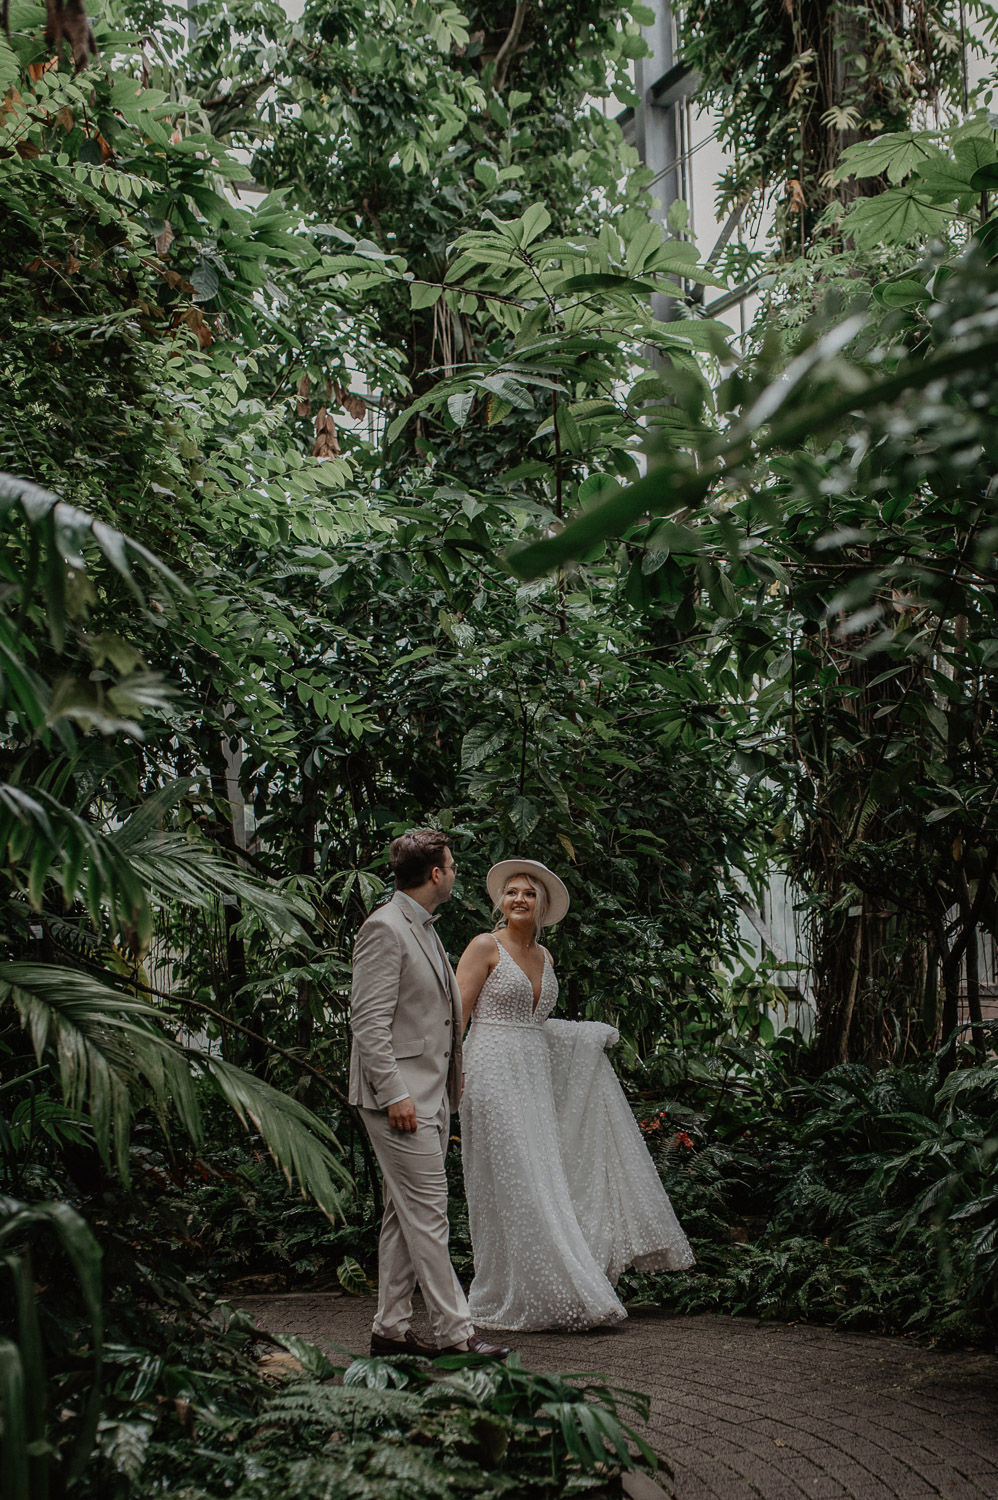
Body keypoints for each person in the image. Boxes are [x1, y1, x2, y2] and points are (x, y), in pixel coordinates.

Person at [456, 858, 694, 1332]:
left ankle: (541, 1286)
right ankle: (537, 1289)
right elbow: (455, 1017)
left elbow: (536, 1027)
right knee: (516, 1178)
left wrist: (583, 1036)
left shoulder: (545, 959)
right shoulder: (485, 946)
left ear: (543, 906)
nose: (519, 899)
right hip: (488, 1072)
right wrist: (449, 1079)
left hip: (533, 1077)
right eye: (511, 892)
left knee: (544, 1176)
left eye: (528, 893)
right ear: (500, 903)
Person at [348, 828, 510, 1359]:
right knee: (429, 1213)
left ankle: (390, 1331)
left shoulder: (423, 928)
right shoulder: (385, 928)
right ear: (436, 873)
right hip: (399, 1100)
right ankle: (455, 1333)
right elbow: (367, 1023)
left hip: (433, 1095)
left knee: (405, 1214)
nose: (456, 871)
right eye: (452, 863)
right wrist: (395, 1093)